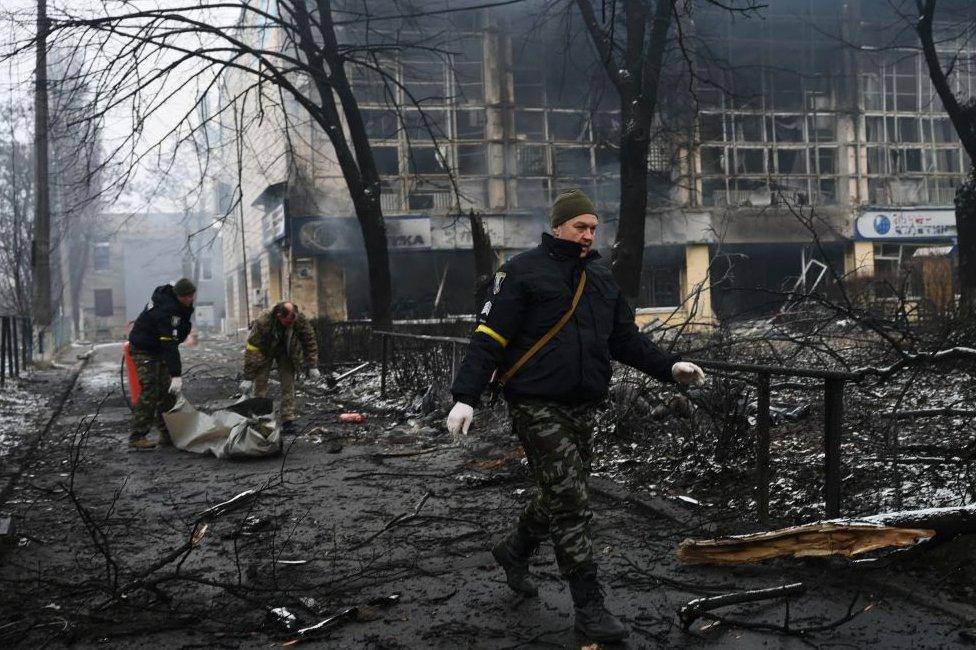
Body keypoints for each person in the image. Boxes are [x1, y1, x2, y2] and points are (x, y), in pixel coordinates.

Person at [446, 188, 705, 642]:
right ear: (558, 226)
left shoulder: (601, 276)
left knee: (560, 492)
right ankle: (590, 608)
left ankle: (513, 549)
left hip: (583, 405)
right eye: (579, 227)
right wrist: (465, 395)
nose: (587, 235)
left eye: (592, 228)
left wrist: (668, 366)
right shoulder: (522, 271)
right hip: (534, 402)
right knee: (570, 499)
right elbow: (488, 337)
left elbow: (624, 339)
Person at [128, 277, 196, 449]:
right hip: (143, 348)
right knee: (151, 389)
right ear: (178, 295)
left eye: (192, 296)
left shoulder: (177, 302)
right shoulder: (168, 310)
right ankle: (137, 436)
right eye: (186, 297)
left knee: (167, 393)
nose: (190, 300)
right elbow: (169, 344)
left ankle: (167, 434)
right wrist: (176, 375)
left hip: (157, 348)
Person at [239, 302, 320, 435]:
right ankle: (261, 420)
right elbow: (253, 348)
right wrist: (248, 377)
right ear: (279, 316)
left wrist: (313, 365)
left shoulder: (298, 319)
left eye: (292, 321)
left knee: (288, 384)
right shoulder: (263, 322)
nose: (290, 324)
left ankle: (288, 420)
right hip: (265, 350)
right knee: (260, 384)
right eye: (287, 321)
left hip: (287, 351)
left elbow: (309, 340)